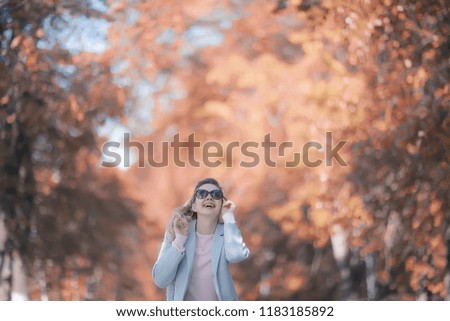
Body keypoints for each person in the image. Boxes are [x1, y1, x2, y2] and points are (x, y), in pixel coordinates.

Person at [152, 177, 250, 301]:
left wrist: (229, 216)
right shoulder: (176, 232)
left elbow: (236, 255)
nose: (209, 197)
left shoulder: (227, 232)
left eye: (216, 195)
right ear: (194, 206)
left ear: (221, 205)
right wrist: (180, 240)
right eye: (202, 194)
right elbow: (160, 280)